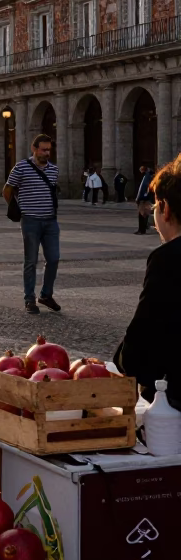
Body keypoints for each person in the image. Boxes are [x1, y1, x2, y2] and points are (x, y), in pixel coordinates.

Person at [114, 155, 181, 404]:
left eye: (154, 208)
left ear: (165, 210)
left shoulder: (169, 259)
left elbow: (138, 354)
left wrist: (119, 361)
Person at [3, 133, 60, 315]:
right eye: (43, 150)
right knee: (31, 261)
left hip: (50, 221)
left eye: (49, 150)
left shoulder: (53, 169)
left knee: (54, 258)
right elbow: (7, 190)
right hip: (31, 221)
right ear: (34, 149)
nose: (47, 153)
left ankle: (46, 295)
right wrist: (18, 209)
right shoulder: (21, 167)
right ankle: (29, 299)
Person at [135, 165, 153, 234]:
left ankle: (142, 230)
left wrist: (143, 197)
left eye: (141, 170)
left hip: (144, 199)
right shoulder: (145, 176)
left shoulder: (147, 177)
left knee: (143, 215)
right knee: (141, 215)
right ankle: (140, 229)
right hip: (142, 198)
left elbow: (145, 188)